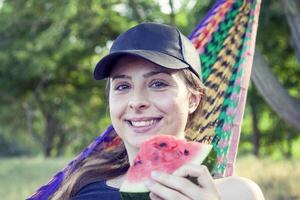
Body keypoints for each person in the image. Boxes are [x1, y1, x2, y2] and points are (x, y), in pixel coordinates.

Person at [51, 22, 264, 200]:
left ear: (192, 100)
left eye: (158, 84)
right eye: (123, 86)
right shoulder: (81, 187)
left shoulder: (236, 193)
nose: (136, 102)